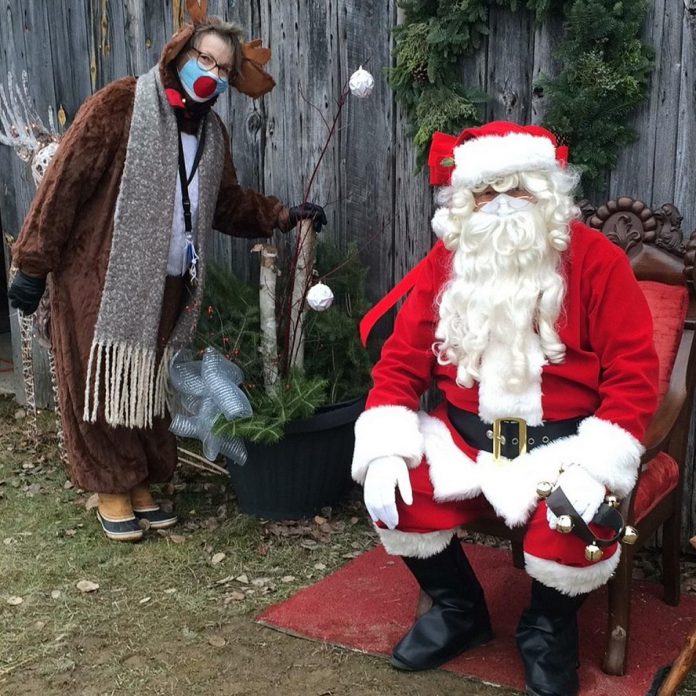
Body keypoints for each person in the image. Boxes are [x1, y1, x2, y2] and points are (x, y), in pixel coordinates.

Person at [352, 121, 659, 696]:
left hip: (563, 445)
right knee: (392, 486)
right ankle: (458, 608)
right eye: (485, 194)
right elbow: (400, 362)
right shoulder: (447, 262)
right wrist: (387, 443)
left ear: (547, 197)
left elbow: (635, 374)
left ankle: (548, 629)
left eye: (516, 190)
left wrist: (598, 464)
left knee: (575, 520)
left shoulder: (597, 262)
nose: (499, 207)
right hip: (463, 439)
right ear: (464, 202)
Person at [7, 7, 326, 543]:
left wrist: (280, 215)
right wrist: (33, 263)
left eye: (224, 70)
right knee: (100, 380)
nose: (214, 75)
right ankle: (111, 484)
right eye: (206, 60)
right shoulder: (122, 105)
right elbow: (63, 182)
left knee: (146, 385)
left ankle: (139, 482)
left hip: (169, 280)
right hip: (100, 276)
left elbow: (223, 204)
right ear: (179, 54)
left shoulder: (211, 132)